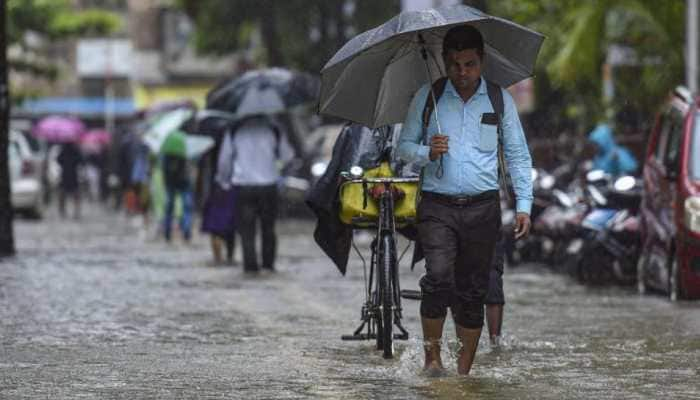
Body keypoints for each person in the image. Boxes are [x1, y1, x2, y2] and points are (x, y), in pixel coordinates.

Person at [397, 25, 533, 375]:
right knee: (439, 277)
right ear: (444, 62)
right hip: (437, 207)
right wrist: (428, 151)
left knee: (474, 290)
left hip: (483, 207)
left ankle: (462, 374)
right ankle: (432, 361)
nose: (462, 73)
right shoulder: (428, 97)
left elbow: (517, 155)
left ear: (481, 62)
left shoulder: (500, 100)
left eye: (469, 64)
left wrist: (523, 206)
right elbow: (404, 148)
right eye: (455, 65)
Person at [216, 115, 294, 273]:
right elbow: (287, 157)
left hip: (244, 187)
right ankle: (268, 265)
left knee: (246, 230)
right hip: (268, 185)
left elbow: (224, 160)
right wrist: (276, 166)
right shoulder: (274, 129)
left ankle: (250, 267)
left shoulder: (235, 130)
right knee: (268, 228)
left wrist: (224, 181)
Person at [161, 147, 193, 243]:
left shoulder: (167, 150)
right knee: (185, 206)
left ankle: (168, 231)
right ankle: (185, 230)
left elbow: (163, 167)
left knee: (170, 207)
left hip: (173, 181)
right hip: (182, 181)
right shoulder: (185, 148)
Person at [484, 235, 506, 347]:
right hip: (453, 223)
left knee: (492, 279)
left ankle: (495, 343)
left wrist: (524, 215)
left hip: (490, 224)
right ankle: (463, 342)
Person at [56, 142, 84, 219]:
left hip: (66, 175)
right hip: (71, 175)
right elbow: (81, 161)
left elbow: (58, 160)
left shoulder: (64, 150)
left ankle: (64, 211)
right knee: (72, 194)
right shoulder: (75, 150)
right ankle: (74, 211)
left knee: (65, 194)